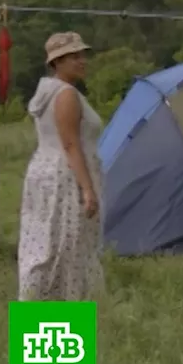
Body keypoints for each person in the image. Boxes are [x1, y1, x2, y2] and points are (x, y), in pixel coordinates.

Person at [16, 32, 106, 301]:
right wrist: (88, 189)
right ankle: (59, 312)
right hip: (65, 176)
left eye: (82, 55)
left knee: (47, 243)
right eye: (74, 57)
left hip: (45, 170)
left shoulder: (49, 91)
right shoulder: (65, 94)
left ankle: (44, 310)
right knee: (66, 247)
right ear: (58, 62)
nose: (82, 61)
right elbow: (70, 144)